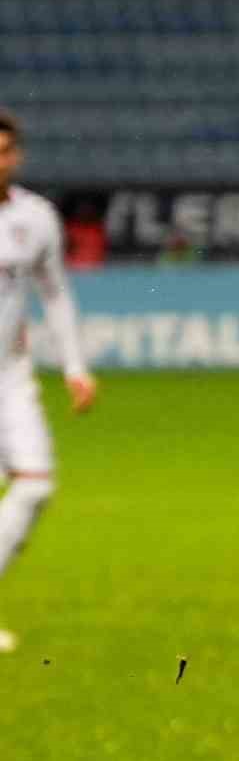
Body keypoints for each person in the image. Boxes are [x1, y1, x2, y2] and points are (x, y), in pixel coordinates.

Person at [0, 109, 98, 654]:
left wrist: (75, 366)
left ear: (16, 156)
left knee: (35, 484)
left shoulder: (35, 218)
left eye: (3, 150)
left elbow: (55, 293)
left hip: (9, 378)